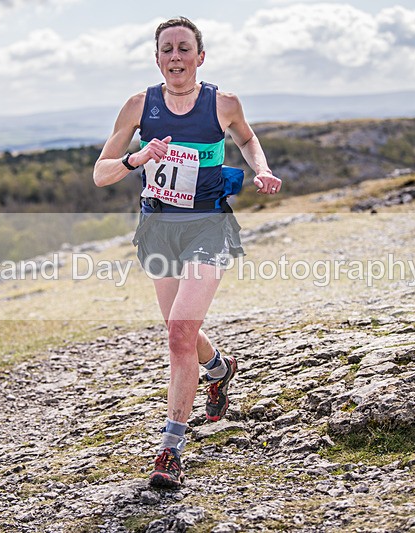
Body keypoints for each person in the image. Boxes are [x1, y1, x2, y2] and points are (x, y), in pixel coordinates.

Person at [93, 16, 281, 488]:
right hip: (159, 228)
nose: (175, 57)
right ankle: (220, 368)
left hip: (208, 227)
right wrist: (138, 157)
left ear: (201, 55)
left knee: (179, 331)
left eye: (184, 48)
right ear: (156, 58)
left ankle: (170, 451)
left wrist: (260, 168)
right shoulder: (139, 106)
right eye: (166, 50)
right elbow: (101, 173)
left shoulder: (224, 103)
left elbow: (247, 138)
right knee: (180, 329)